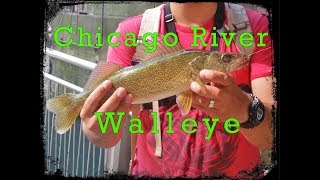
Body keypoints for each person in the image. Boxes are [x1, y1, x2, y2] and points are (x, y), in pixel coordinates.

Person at [80, 2, 275, 178]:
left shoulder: (257, 27)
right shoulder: (131, 32)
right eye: (225, 59)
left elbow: (270, 139)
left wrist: (247, 111)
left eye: (226, 58)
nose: (230, 60)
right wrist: (96, 129)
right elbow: (107, 137)